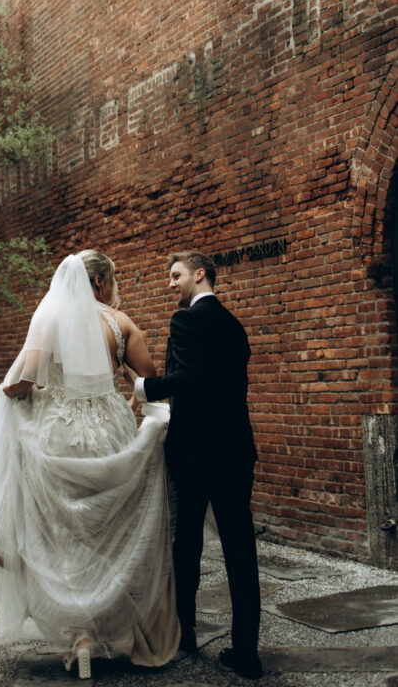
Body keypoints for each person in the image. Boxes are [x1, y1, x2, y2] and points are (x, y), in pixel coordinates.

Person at [0, 250, 180, 678]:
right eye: (113, 279)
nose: (115, 288)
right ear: (98, 283)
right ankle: (109, 626)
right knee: (105, 531)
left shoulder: (49, 317)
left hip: (58, 434)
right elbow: (151, 384)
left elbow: (28, 377)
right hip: (109, 431)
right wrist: (131, 398)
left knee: (60, 536)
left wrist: (10, 391)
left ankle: (79, 636)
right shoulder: (122, 324)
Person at [130, 249, 262, 680]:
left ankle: (184, 634)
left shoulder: (186, 320)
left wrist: (144, 385)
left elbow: (189, 378)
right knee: (241, 550)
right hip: (236, 450)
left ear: (199, 274)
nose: (170, 284)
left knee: (186, 543)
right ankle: (247, 652)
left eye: (175, 275)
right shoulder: (235, 326)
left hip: (195, 453)